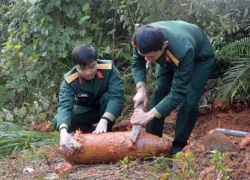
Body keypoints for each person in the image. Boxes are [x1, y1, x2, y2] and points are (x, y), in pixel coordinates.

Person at [130, 21, 215, 155]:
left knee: (190, 100)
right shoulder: (140, 38)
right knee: (160, 92)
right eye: (144, 55)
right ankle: (153, 141)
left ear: (164, 45)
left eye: (151, 56)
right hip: (167, 56)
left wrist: (148, 115)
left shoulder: (183, 50)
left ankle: (178, 147)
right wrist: (141, 89)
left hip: (199, 59)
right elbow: (137, 63)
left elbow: (178, 91)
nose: (147, 60)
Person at [53, 45, 125, 154]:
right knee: (58, 120)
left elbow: (117, 97)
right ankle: (91, 132)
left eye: (92, 67)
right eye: (82, 69)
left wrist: (104, 120)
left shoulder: (109, 69)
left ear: (96, 62)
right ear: (76, 67)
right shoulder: (70, 80)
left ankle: (106, 131)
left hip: (107, 110)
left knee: (108, 97)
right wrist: (63, 132)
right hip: (87, 111)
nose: (88, 72)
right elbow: (64, 107)